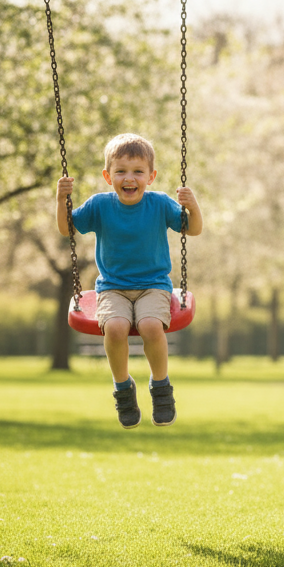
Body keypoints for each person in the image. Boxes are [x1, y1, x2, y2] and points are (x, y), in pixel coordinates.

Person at [56, 133, 203, 428]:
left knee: (150, 326)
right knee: (115, 327)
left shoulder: (160, 204)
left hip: (154, 285)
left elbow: (193, 229)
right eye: (121, 171)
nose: (129, 178)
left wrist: (192, 205)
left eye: (138, 171)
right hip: (112, 287)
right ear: (108, 176)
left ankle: (161, 386)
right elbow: (67, 229)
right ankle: (123, 387)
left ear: (151, 176)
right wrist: (61, 200)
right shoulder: (100, 205)